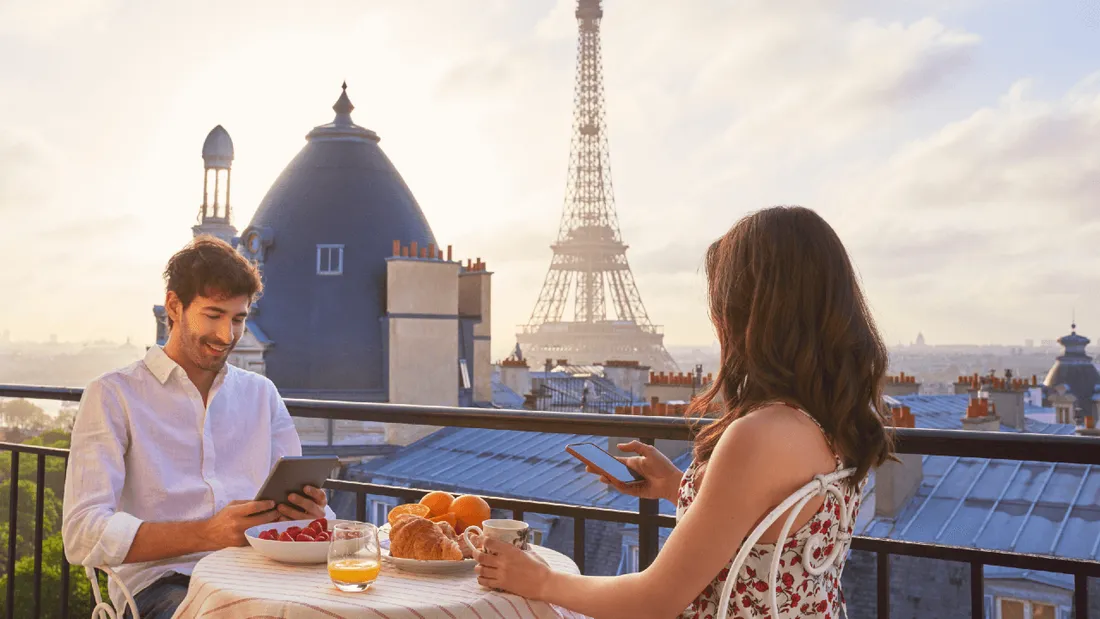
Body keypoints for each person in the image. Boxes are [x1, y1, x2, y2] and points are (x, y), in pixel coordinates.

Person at [474, 206, 895, 618]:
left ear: (750, 314)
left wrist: (538, 579)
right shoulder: (835, 421)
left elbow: (653, 600)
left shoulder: (759, 434)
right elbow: (769, 531)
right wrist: (677, 486)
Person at [62, 236, 334, 619]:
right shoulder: (112, 395)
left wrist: (310, 513)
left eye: (238, 319)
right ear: (175, 306)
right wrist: (207, 533)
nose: (226, 336)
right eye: (213, 315)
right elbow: (82, 533)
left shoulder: (261, 394)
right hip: (165, 584)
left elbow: (314, 514)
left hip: (261, 573)